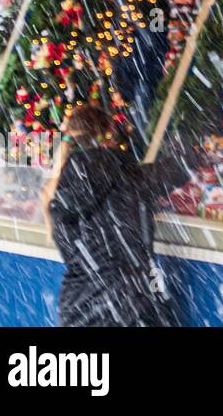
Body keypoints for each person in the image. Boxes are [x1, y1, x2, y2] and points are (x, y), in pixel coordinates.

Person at [40, 103, 194, 327]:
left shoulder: (57, 193)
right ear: (107, 136)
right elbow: (180, 166)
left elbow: (67, 244)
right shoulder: (130, 177)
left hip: (78, 310)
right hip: (132, 306)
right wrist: (197, 145)